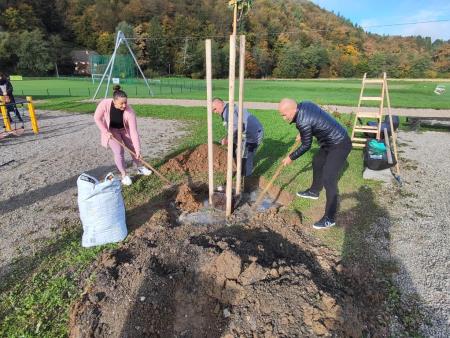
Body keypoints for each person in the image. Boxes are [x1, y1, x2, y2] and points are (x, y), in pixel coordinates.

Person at [278, 98, 351, 229]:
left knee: (329, 179)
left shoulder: (302, 121)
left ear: (293, 109)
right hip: (329, 142)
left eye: (284, 114)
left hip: (340, 144)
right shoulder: (305, 104)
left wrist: (291, 157)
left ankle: (329, 218)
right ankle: (314, 191)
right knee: (317, 162)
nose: (284, 118)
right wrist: (304, 132)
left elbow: (306, 145)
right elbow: (314, 119)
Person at [94, 85, 152, 186]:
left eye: (126, 102)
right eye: (122, 103)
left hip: (125, 130)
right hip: (111, 131)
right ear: (114, 101)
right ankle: (124, 175)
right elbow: (97, 118)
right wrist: (105, 131)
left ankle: (140, 167)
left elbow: (134, 132)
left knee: (133, 148)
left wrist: (138, 150)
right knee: (119, 151)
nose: (125, 105)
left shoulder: (130, 112)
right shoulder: (105, 104)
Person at [212, 98, 264, 177]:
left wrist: (227, 139)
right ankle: (238, 169)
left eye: (214, 109)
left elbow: (235, 128)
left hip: (253, 134)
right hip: (244, 133)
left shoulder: (228, 112)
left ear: (220, 104)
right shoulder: (227, 110)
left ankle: (247, 181)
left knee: (247, 157)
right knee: (234, 148)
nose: (214, 112)